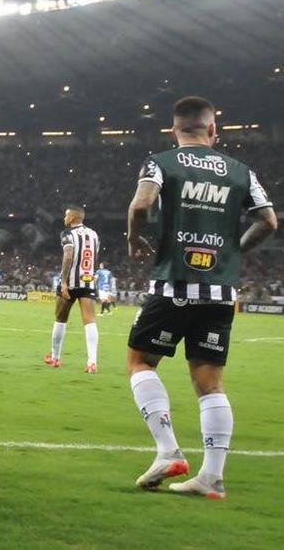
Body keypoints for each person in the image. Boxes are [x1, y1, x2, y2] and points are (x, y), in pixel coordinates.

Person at [125, 96, 276, 499]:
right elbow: (268, 221)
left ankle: (167, 451)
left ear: (173, 130)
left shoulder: (161, 162)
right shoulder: (241, 171)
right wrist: (233, 252)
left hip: (174, 285)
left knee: (140, 361)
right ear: (212, 129)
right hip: (221, 292)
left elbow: (141, 206)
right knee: (210, 382)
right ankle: (212, 476)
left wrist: (134, 237)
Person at [44, 207, 101, 373]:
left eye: (66, 215)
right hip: (88, 281)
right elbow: (95, 257)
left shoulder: (67, 234)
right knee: (89, 320)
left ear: (73, 217)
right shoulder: (94, 234)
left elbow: (68, 256)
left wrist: (63, 282)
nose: (64, 218)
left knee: (60, 318)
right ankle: (92, 362)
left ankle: (55, 358)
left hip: (70, 282)